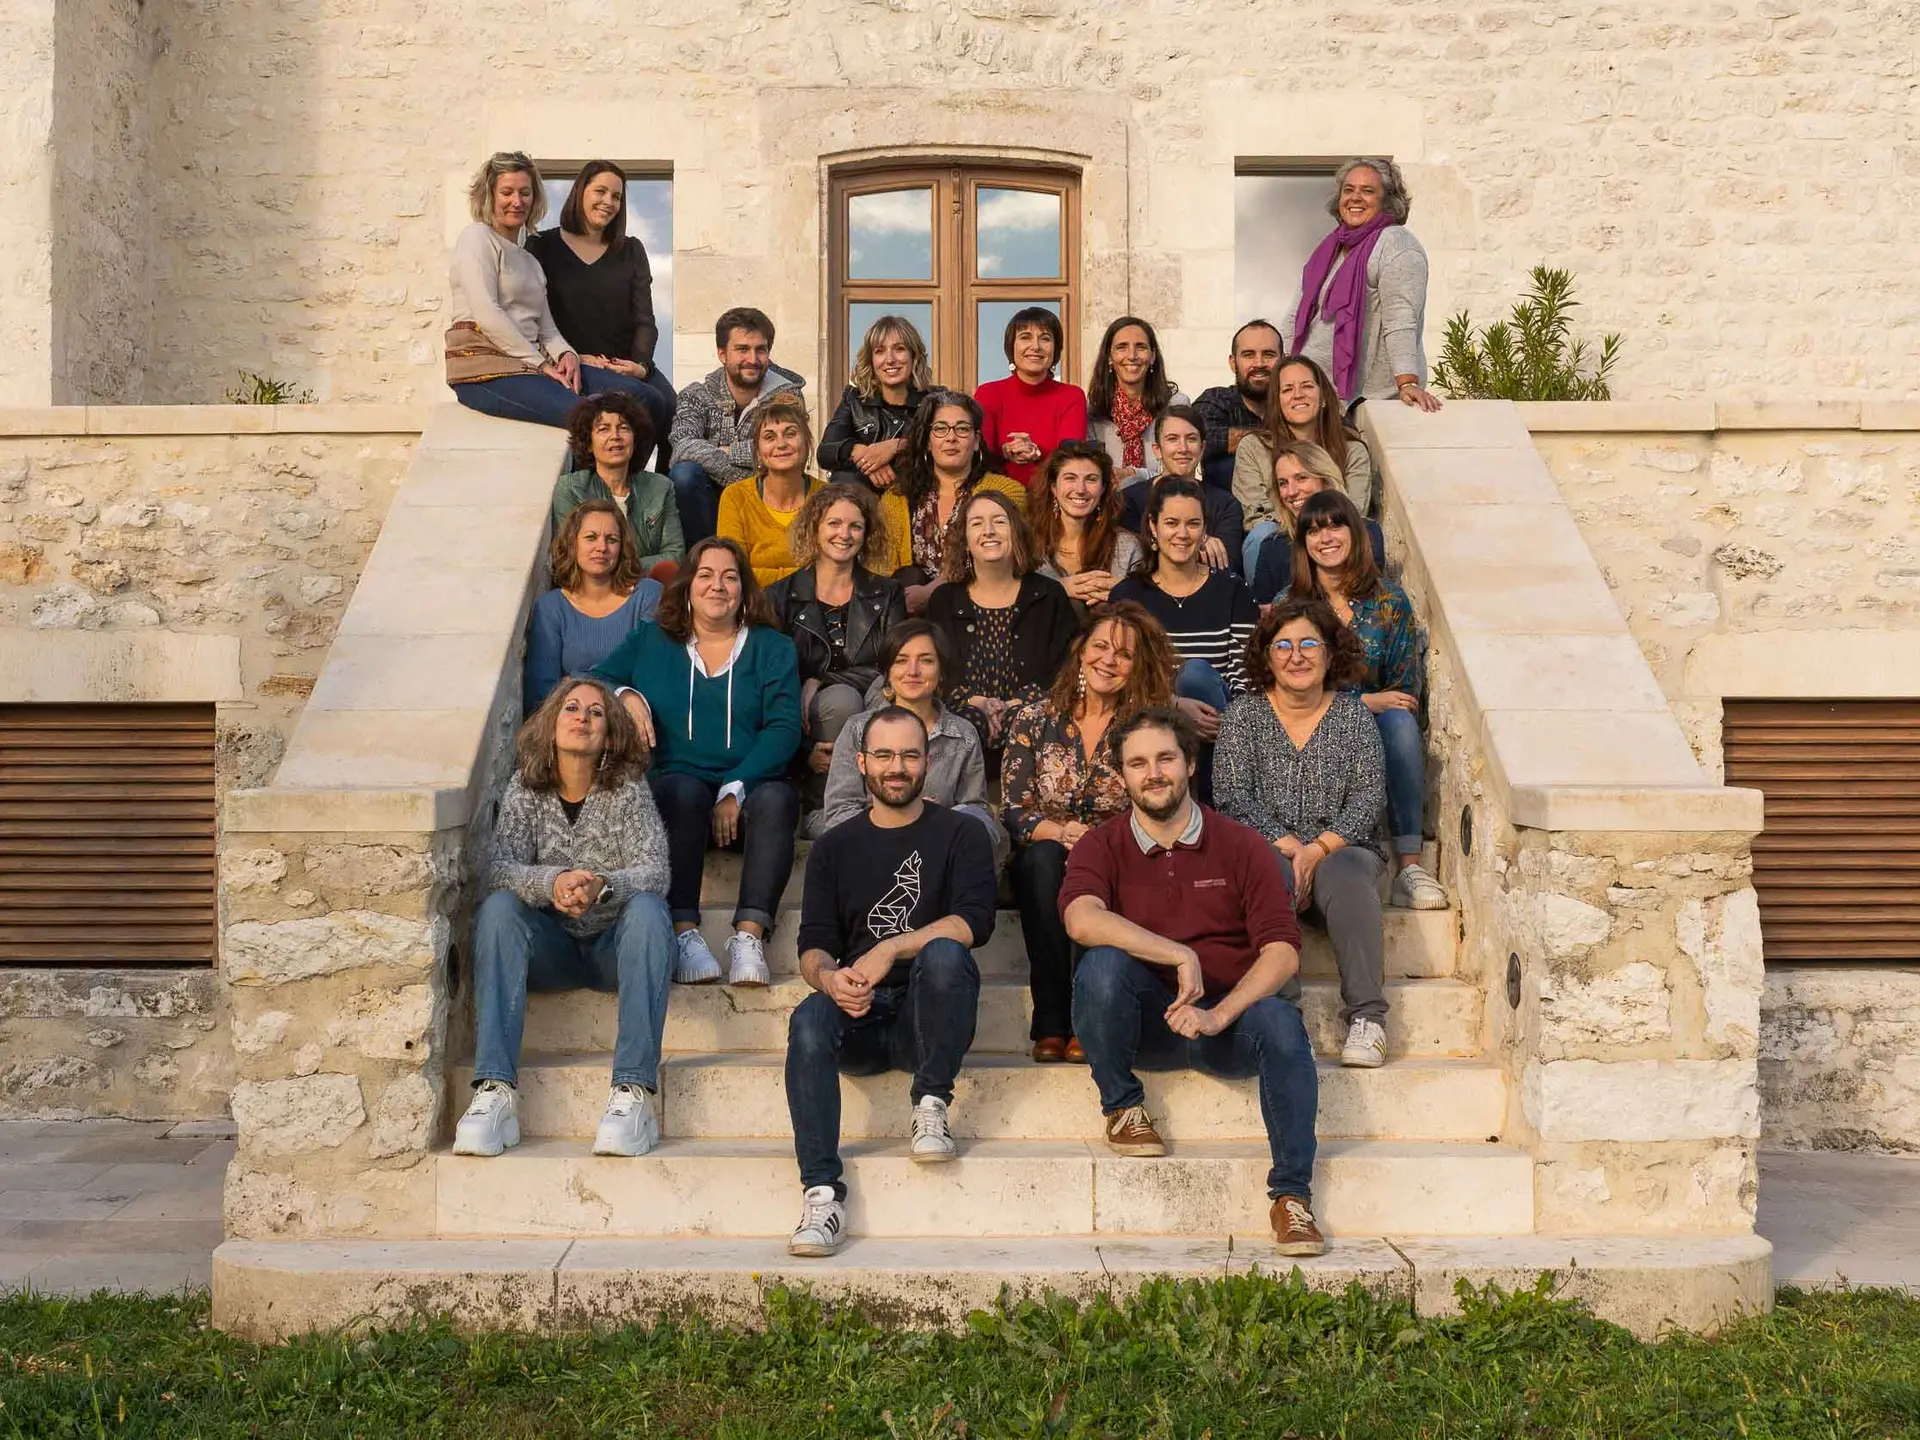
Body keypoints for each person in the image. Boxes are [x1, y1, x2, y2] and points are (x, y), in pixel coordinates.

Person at [1061, 707, 1325, 1257]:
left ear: (1189, 764)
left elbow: (1282, 952)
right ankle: (1123, 1107)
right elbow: (1081, 917)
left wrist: (1218, 1013)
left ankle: (1292, 1199)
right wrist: (1176, 953)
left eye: (1164, 758)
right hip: (1147, 1026)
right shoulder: (1101, 845)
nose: (1153, 772)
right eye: (1138, 763)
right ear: (1123, 776)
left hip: (1226, 1026)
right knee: (1101, 967)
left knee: (1280, 1021)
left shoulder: (1242, 845)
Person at [785, 705, 999, 1257]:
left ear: (928, 761)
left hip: (927, 1017)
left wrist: (893, 947)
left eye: (908, 754)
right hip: (858, 1016)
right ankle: (821, 1193)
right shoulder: (834, 847)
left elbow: (976, 922)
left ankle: (930, 1102)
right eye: (883, 755)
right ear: (861, 762)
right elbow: (813, 946)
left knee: (947, 955)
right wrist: (830, 980)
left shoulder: (961, 834)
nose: (896, 766)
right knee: (808, 1016)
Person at [456, 677, 674, 1159]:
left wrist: (600, 885)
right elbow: (498, 868)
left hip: (612, 949)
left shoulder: (628, 790)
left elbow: (655, 870)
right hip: (548, 947)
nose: (583, 718)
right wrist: (552, 883)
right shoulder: (525, 787)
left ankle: (633, 1093)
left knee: (649, 910)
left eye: (596, 712)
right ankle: (495, 1090)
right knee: (497, 909)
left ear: (610, 732)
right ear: (551, 723)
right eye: (572, 708)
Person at [591, 537, 802, 987]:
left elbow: (785, 727)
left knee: (780, 800)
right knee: (680, 791)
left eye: (730, 576)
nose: (717, 586)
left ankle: (748, 936)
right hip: (680, 791)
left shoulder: (774, 648)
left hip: (750, 787)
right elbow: (595, 680)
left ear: (745, 589)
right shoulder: (652, 639)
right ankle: (684, 931)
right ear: (688, 586)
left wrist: (735, 786)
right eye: (706, 575)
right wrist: (626, 696)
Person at [1215, 598, 1393, 1070]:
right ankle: (1284, 1018)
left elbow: (1369, 798)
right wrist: (1289, 845)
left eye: (1310, 643)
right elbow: (1231, 796)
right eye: (1284, 645)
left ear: (1331, 654)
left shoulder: (1354, 718)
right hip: (1269, 848)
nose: (1297, 655)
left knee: (1348, 874)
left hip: (1343, 849)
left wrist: (1318, 848)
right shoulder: (1243, 716)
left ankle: (1368, 1018)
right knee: (1264, 868)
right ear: (1266, 656)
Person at [1002, 602, 1175, 1062]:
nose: (1109, 660)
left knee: (1094, 869)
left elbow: (1162, 801)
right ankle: (1051, 1021)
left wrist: (1096, 841)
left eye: (1123, 654)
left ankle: (1087, 1016)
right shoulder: (1033, 719)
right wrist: (1059, 832)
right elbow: (1014, 809)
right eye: (1100, 646)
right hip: (1046, 852)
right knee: (1043, 863)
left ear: (1137, 666)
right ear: (1080, 653)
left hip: (1119, 853)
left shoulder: (1146, 729)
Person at [1288, 490, 1447, 910]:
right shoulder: (1293, 606)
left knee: (1398, 722)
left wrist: (1368, 705)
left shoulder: (1389, 602)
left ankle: (1409, 866)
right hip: (1309, 728)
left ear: (1355, 532)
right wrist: (1363, 702)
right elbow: (1287, 693)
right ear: (1303, 542)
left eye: (1335, 526)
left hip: (1376, 730)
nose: (1325, 538)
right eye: (1314, 530)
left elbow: (1403, 693)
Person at [446, 152, 657, 427]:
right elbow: (487, 314)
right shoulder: (477, 238)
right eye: (507, 192)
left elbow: (547, 328)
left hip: (528, 368)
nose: (517, 201)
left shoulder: (529, 260)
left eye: (525, 193)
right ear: (489, 196)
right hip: (487, 370)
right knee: (591, 418)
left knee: (642, 398)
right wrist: (542, 365)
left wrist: (566, 354)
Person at [812, 621, 1006, 865]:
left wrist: (934, 820)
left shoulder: (962, 733)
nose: (912, 671)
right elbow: (840, 813)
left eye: (926, 660)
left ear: (941, 671)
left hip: (941, 854)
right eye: (901, 660)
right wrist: (898, 819)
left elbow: (976, 810)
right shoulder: (858, 729)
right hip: (873, 854)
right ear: (888, 670)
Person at [526, 160, 678, 466]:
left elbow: (645, 320)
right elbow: (531, 317)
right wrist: (572, 356)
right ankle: (615, 485)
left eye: (617, 196)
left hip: (625, 362)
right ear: (581, 191)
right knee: (645, 403)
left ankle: (658, 490)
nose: (608, 202)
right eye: (600, 191)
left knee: (674, 408)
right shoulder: (541, 246)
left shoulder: (631, 249)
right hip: (574, 361)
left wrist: (640, 366)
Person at [764, 482, 906, 799]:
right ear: (814, 528)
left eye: (855, 526)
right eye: (834, 523)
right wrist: (804, 751)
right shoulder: (780, 596)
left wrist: (821, 678)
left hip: (872, 700)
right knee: (842, 700)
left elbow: (895, 665)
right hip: (809, 718)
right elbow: (770, 684)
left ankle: (886, 803)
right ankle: (827, 803)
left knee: (890, 697)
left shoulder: (888, 593)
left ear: (866, 534)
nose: (845, 534)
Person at [923, 489, 1080, 761]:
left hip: (1034, 717)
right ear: (965, 540)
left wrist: (1015, 705)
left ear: (1016, 532)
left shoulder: (1048, 596)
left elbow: (1067, 667)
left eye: (999, 521)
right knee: (964, 724)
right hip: (961, 717)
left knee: (1025, 721)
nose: (988, 531)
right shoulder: (944, 600)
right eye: (977, 523)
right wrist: (979, 703)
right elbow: (937, 670)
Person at [1111, 479, 1259, 759]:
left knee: (1195, 676)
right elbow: (1120, 674)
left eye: (1193, 523)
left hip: (1220, 725)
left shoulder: (1232, 589)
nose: (1182, 533)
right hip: (1151, 722)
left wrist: (1221, 722)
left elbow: (1246, 674)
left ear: (1205, 530)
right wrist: (1174, 704)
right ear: (1153, 527)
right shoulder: (1127, 595)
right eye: (1171, 523)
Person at [1290, 158, 1443, 413]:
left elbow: (1401, 317)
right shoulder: (1330, 248)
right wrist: (1283, 374)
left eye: (1368, 191)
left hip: (1363, 402)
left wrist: (1408, 381)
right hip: (1314, 398)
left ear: (1387, 200)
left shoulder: (1396, 244)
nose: (1355, 197)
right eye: (1348, 190)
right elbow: (1295, 315)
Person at [874, 390, 1027, 611]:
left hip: (978, 606)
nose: (951, 438)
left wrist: (931, 592)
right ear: (927, 441)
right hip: (909, 613)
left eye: (962, 429)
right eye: (940, 428)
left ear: (976, 441)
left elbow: (1000, 560)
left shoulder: (1005, 492)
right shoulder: (896, 498)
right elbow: (880, 566)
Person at [667, 306, 806, 544]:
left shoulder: (788, 397)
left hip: (763, 497)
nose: (752, 360)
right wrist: (751, 460)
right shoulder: (696, 395)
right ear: (722, 354)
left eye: (760, 350)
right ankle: (702, 563)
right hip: (705, 504)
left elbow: (788, 452)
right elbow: (682, 448)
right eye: (742, 349)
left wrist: (730, 451)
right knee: (684, 474)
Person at [1233, 354, 1375, 573]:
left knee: (1369, 531)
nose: (1298, 395)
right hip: (1279, 539)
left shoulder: (1352, 450)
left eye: (1307, 386)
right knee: (1261, 534)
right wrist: (1303, 532)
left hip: (1335, 541)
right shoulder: (1254, 447)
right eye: (1287, 389)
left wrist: (1319, 532)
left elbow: (1353, 511)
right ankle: (1266, 606)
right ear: (1277, 401)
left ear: (1324, 397)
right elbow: (1256, 514)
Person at [524, 501, 664, 712]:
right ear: (573, 543)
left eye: (612, 540)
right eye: (591, 538)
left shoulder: (648, 596)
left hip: (636, 724)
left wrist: (577, 678)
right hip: (574, 729)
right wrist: (621, 692)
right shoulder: (551, 608)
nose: (602, 548)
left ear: (622, 547)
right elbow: (542, 695)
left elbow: (651, 674)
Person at [549, 392, 684, 582]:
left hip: (649, 593)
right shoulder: (571, 488)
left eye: (623, 428)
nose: (615, 436)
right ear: (588, 443)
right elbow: (569, 557)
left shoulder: (660, 487)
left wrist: (609, 565)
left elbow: (674, 557)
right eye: (604, 429)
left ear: (635, 439)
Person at [1248, 442, 1387, 605]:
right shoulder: (1272, 548)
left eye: (1301, 478)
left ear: (1326, 480)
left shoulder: (1366, 532)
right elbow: (1266, 615)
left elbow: (1372, 601)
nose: (1291, 492)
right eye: (1283, 483)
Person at [1117, 405, 1244, 573]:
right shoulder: (1128, 500)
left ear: (1202, 448)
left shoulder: (1225, 504)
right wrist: (1198, 540)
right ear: (1157, 450)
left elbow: (1226, 567)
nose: (1183, 448)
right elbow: (1137, 560)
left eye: (1191, 439)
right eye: (1172, 439)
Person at [974, 307, 1088, 488]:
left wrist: (1037, 453)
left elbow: (1072, 457)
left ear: (1056, 350)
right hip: (997, 498)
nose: (1035, 346)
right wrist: (1005, 451)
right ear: (1012, 346)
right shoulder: (988, 393)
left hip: (1054, 496)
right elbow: (976, 453)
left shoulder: (1072, 396)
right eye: (1025, 337)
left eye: (1045, 339)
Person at [716, 392, 823, 587]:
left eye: (790, 433)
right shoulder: (735, 497)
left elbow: (835, 571)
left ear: (806, 442)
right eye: (769, 437)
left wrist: (761, 576)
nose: (781, 444)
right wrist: (809, 576)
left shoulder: (828, 498)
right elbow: (733, 572)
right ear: (758, 450)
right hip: (754, 608)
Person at [817, 314, 933, 490]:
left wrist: (896, 446)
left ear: (914, 356)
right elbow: (825, 452)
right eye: (880, 351)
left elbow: (945, 447)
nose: (890, 359)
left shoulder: (934, 401)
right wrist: (862, 453)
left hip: (915, 496)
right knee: (845, 478)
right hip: (860, 501)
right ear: (871, 361)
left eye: (899, 349)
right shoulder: (855, 399)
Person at [1027, 440, 1142, 611]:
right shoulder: (1027, 543)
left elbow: (1149, 607)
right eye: (1070, 478)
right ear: (1053, 487)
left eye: (1091, 479)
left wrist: (1126, 590)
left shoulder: (1127, 546)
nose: (1080, 489)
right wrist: (1056, 589)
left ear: (1103, 489)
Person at [1085, 316, 1188, 487]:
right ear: (1109, 357)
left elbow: (1180, 468)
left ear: (1153, 356)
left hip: (1165, 498)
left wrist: (1133, 474)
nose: (1132, 356)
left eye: (1140, 347)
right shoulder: (1094, 411)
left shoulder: (1175, 405)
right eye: (1121, 347)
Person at [1192, 320, 1282, 492]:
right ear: (1233, 363)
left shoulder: (1296, 401)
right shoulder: (1216, 400)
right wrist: (1284, 438)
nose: (1259, 363)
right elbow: (1199, 438)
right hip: (1227, 512)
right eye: (1249, 355)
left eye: (1269, 354)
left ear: (1283, 360)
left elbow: (1340, 432)